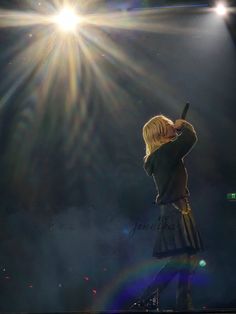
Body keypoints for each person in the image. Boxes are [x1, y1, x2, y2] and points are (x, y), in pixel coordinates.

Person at [130, 115, 204, 311]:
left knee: (188, 259)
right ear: (161, 130)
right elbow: (189, 138)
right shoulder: (165, 153)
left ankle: (180, 304)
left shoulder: (164, 153)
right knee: (182, 259)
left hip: (179, 208)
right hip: (175, 210)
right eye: (169, 124)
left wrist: (178, 128)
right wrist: (183, 126)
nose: (173, 124)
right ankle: (148, 300)